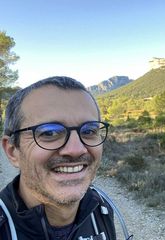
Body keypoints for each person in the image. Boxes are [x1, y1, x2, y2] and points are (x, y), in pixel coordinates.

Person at [0, 76, 121, 240]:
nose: (76, 150)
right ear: (13, 151)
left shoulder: (100, 207)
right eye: (49, 132)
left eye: (89, 131)